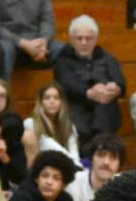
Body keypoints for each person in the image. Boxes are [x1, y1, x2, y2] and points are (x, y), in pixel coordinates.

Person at [53, 15, 125, 145]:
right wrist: (89, 92)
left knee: (105, 102)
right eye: (79, 38)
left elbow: (121, 83)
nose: (84, 42)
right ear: (71, 40)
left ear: (96, 39)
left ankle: (100, 143)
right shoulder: (62, 60)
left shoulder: (108, 58)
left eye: (89, 38)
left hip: (106, 109)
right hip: (77, 105)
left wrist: (114, 89)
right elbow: (66, 84)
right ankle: (97, 146)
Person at [66, 134, 125, 201]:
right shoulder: (75, 181)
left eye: (113, 157)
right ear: (91, 158)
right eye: (101, 155)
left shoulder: (125, 187)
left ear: (120, 165)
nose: (106, 162)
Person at [23, 81, 80, 166]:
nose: (52, 101)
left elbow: (74, 154)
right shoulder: (30, 123)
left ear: (61, 102)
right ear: (41, 102)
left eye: (56, 98)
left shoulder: (70, 126)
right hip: (42, 168)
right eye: (47, 98)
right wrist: (74, 164)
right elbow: (48, 144)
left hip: (65, 167)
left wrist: (77, 166)